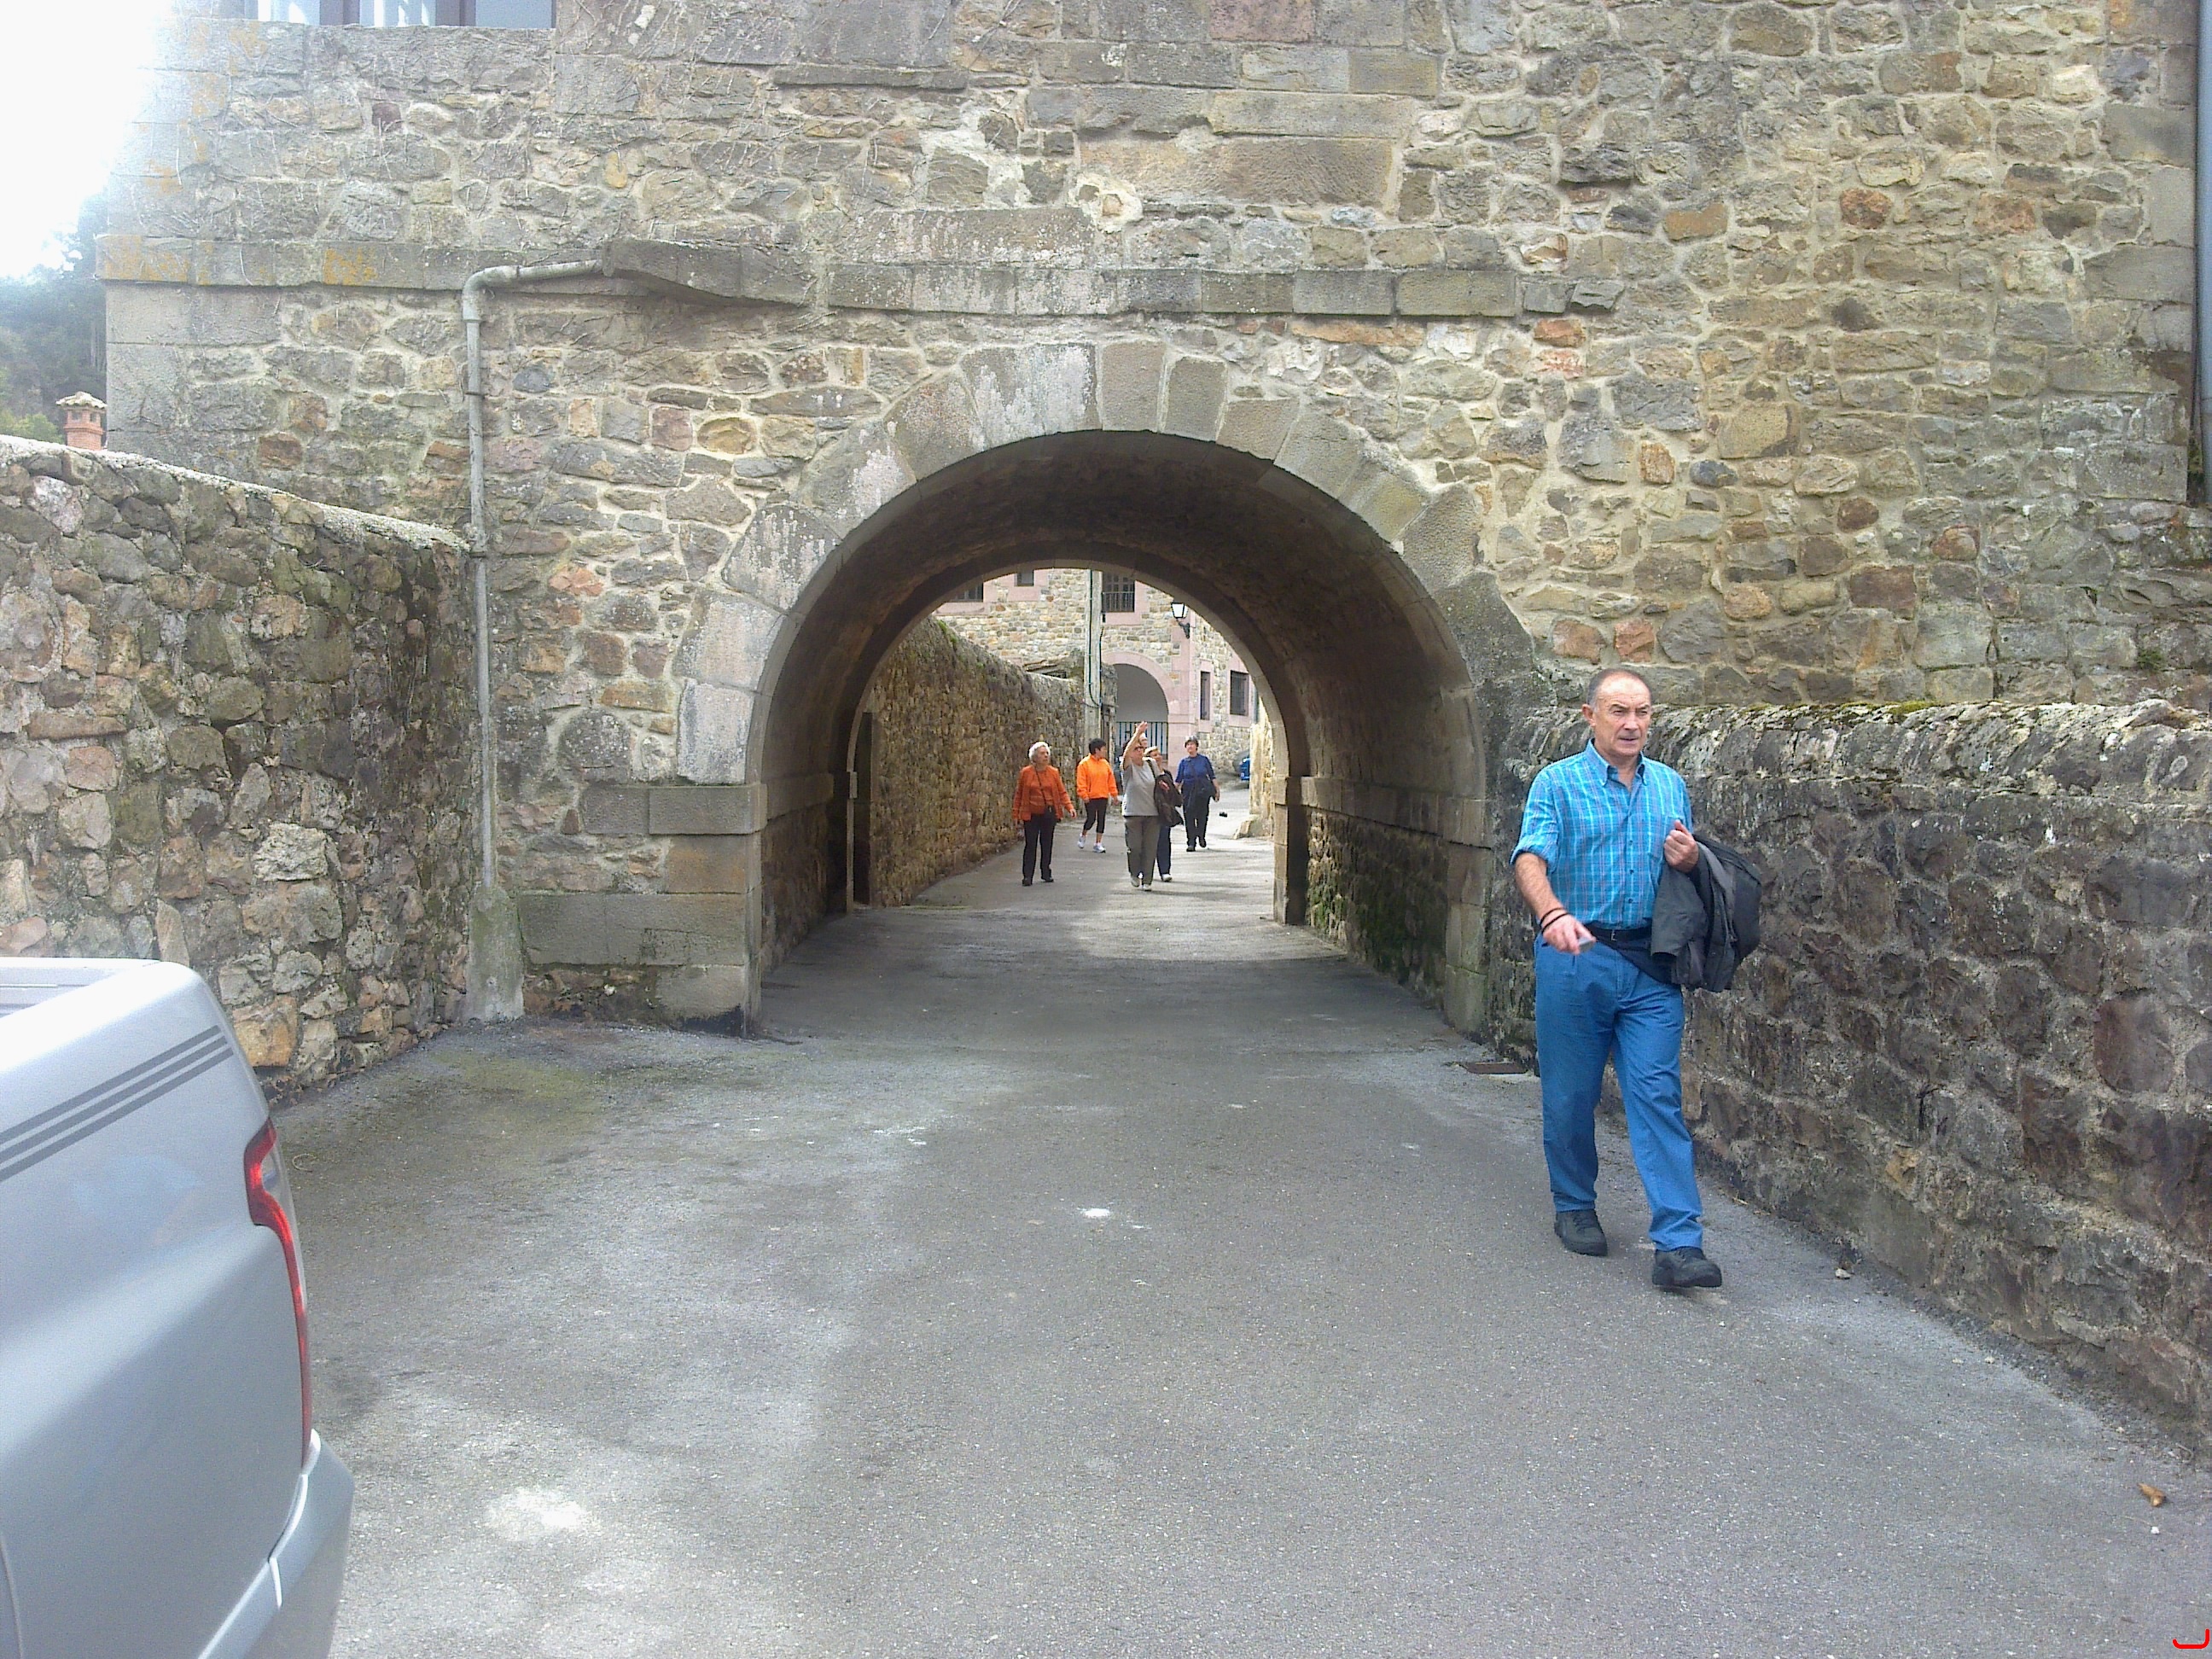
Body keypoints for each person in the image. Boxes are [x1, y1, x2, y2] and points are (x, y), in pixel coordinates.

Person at [1511, 667, 1722, 1293]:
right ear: (1591, 716)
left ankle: (1679, 1243)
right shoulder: (1557, 784)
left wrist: (1692, 859)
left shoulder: (1670, 786)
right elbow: (1530, 857)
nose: (1632, 724)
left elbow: (1685, 870)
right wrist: (1551, 914)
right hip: (1578, 954)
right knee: (1571, 1095)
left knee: (1657, 1094)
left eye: (1643, 713)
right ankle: (1575, 1204)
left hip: (1650, 963)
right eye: (1619, 711)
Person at [1011, 742, 1072, 887]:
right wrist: (1016, 814)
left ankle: (1046, 871)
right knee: (1030, 844)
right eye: (1042, 753)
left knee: (1047, 843)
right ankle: (1028, 875)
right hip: (1031, 814)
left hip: (1048, 814)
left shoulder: (1053, 773)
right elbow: (1019, 794)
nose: (1046, 756)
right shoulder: (1026, 773)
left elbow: (1061, 791)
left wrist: (1069, 806)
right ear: (1034, 757)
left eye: (1047, 753)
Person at [1120, 725, 1161, 890]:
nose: (1139, 751)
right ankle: (1134, 873)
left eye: (1141, 748)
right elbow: (1125, 756)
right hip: (1133, 813)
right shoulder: (1128, 768)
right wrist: (1138, 733)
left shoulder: (1151, 764)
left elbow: (1160, 781)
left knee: (1150, 849)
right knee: (1135, 847)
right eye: (1135, 749)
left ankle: (1147, 880)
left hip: (1153, 813)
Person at [1175, 737, 1218, 852]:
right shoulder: (1184, 762)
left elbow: (1212, 776)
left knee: (1202, 815)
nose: (1190, 746)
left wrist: (1216, 790)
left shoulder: (1204, 760)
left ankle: (1201, 836)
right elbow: (1178, 779)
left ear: (1196, 746)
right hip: (1188, 792)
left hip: (1202, 792)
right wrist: (1173, 794)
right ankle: (1191, 842)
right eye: (1188, 745)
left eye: (1192, 744)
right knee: (1189, 816)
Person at [1074, 737, 1116, 853]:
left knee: (1101, 819)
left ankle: (1098, 843)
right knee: (1091, 818)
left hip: (1103, 795)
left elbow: (1110, 780)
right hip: (1090, 797)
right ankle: (1083, 834)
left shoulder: (1105, 764)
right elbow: (1081, 781)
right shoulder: (1084, 764)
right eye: (1103, 749)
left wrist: (1114, 794)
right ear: (1096, 750)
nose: (1105, 751)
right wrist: (1084, 794)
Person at [1150, 749, 1180, 882]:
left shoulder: (1166, 774)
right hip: (1149, 811)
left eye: (1158, 754)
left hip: (1164, 812)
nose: (1158, 757)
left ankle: (1165, 871)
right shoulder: (1147, 774)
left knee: (1164, 841)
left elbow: (1172, 793)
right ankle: (1146, 871)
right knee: (1148, 843)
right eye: (1154, 755)